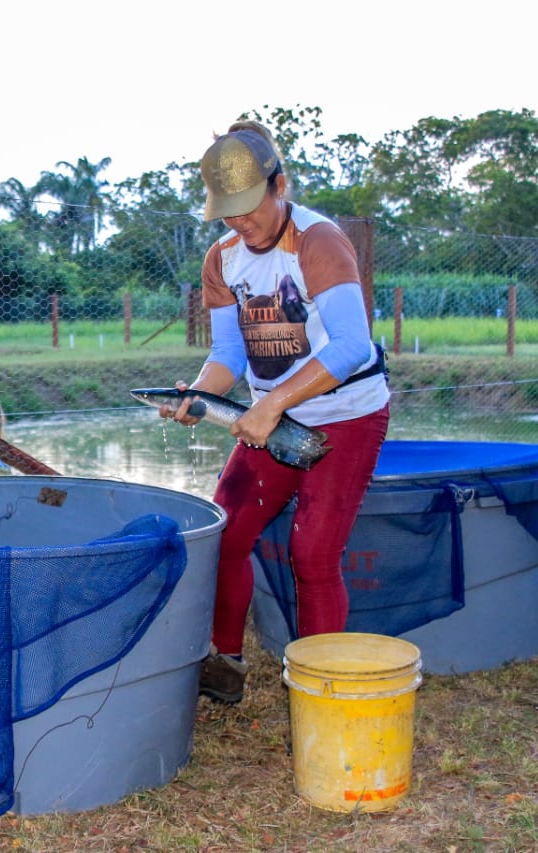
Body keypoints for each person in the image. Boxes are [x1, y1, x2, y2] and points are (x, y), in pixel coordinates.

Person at [157, 122, 390, 703]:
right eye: (227, 213)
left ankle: (322, 690)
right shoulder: (223, 258)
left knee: (312, 551)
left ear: (278, 184)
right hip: (273, 416)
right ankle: (224, 663)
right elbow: (228, 353)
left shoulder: (319, 240)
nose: (240, 224)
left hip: (346, 412)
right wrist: (200, 395)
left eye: (249, 209)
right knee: (226, 532)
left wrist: (275, 403)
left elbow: (350, 346)